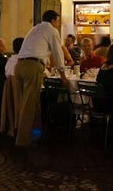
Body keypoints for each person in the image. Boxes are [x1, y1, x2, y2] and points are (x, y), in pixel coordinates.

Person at [14, 10, 68, 148]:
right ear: (53, 20)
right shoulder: (51, 30)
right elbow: (58, 52)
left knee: (27, 103)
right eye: (57, 21)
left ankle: (34, 135)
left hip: (19, 65)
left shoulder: (35, 29)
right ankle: (23, 141)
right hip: (33, 66)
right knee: (29, 105)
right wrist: (63, 75)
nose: (58, 23)